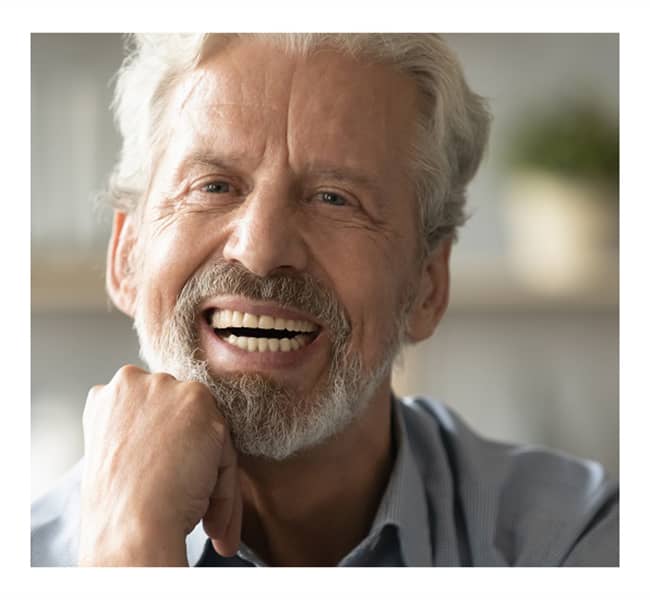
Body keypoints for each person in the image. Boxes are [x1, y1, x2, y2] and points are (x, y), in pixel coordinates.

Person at [31, 33, 618, 567]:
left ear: (427, 286)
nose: (260, 250)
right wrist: (130, 538)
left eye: (335, 198)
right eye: (213, 186)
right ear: (126, 255)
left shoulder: (579, 540)